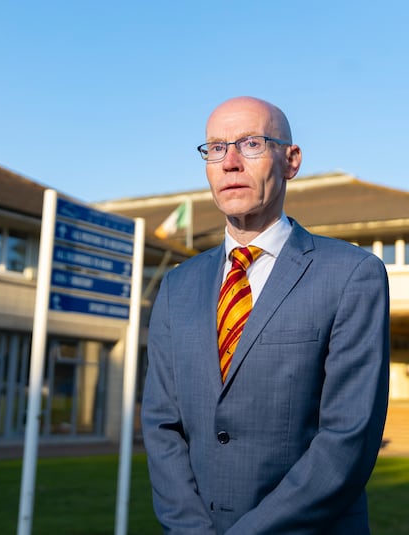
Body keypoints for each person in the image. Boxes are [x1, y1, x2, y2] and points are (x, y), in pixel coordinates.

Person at [141, 96, 390, 534]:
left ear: (291, 160)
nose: (230, 162)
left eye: (250, 144)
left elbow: (348, 438)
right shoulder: (177, 286)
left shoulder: (352, 275)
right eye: (216, 148)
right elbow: (162, 426)